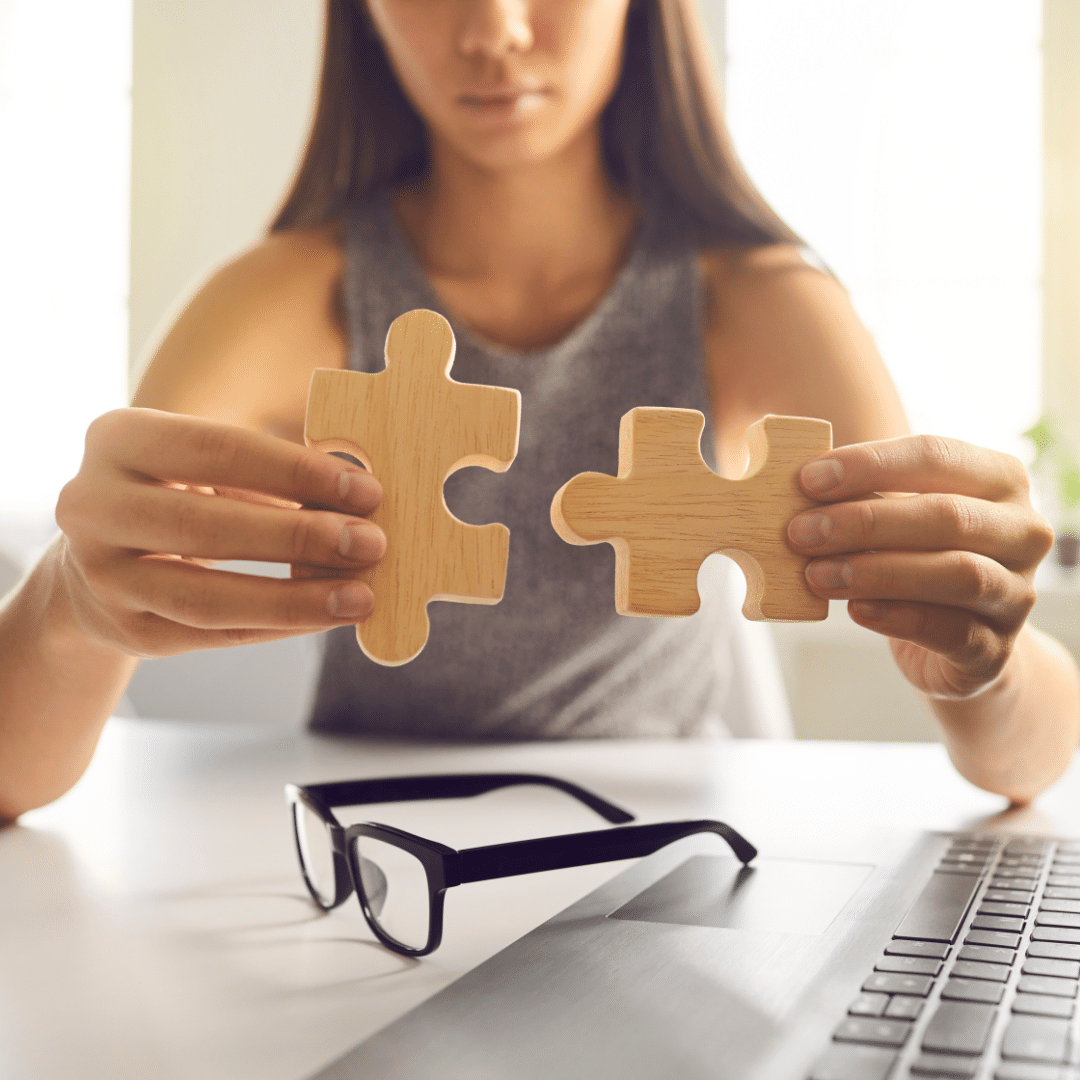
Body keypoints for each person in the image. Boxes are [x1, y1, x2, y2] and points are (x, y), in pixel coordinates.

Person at [0, 0, 1076, 820]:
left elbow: (1028, 762)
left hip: (664, 864)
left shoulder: (759, 301)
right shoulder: (282, 298)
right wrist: (69, 606)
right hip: (368, 857)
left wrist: (981, 661)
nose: (494, 30)